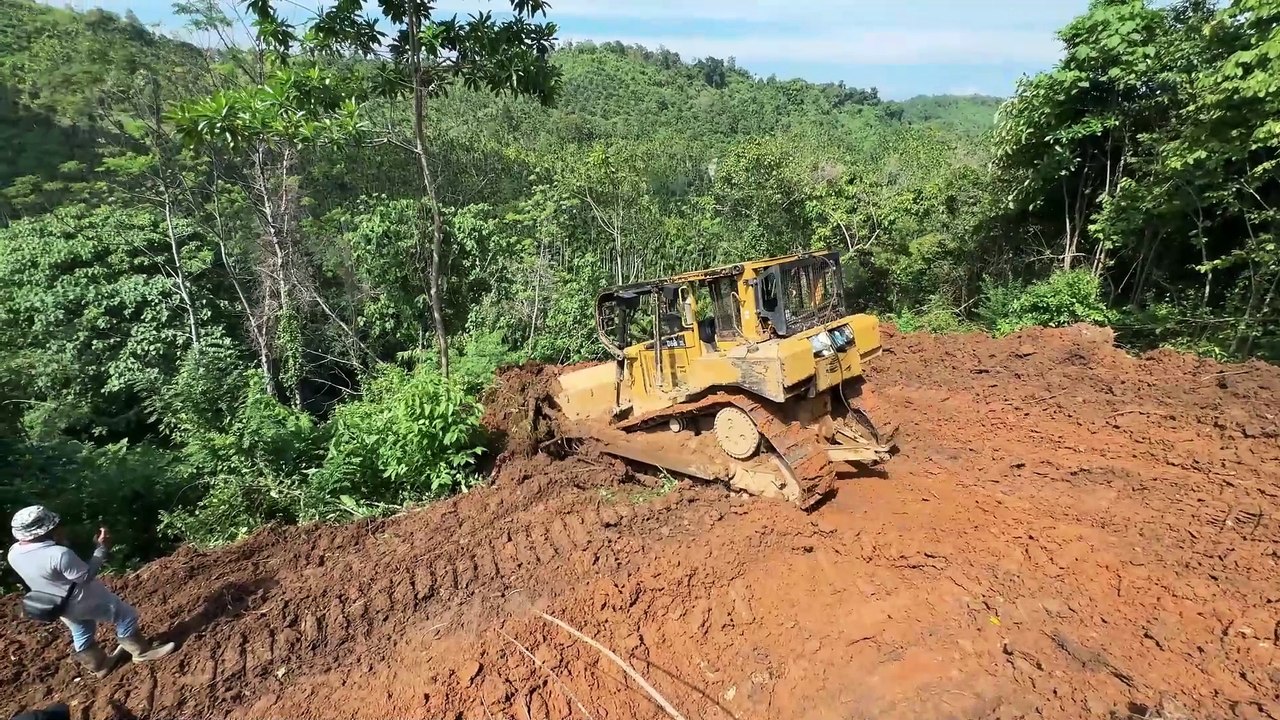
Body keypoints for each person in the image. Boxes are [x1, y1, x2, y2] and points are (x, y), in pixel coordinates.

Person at [7, 506, 175, 678]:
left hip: (56, 604)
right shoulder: (59, 554)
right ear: (45, 530)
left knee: (81, 629)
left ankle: (99, 665)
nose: (60, 528)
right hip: (83, 599)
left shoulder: (13, 553)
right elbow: (85, 576)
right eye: (55, 526)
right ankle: (142, 652)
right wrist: (101, 548)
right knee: (125, 616)